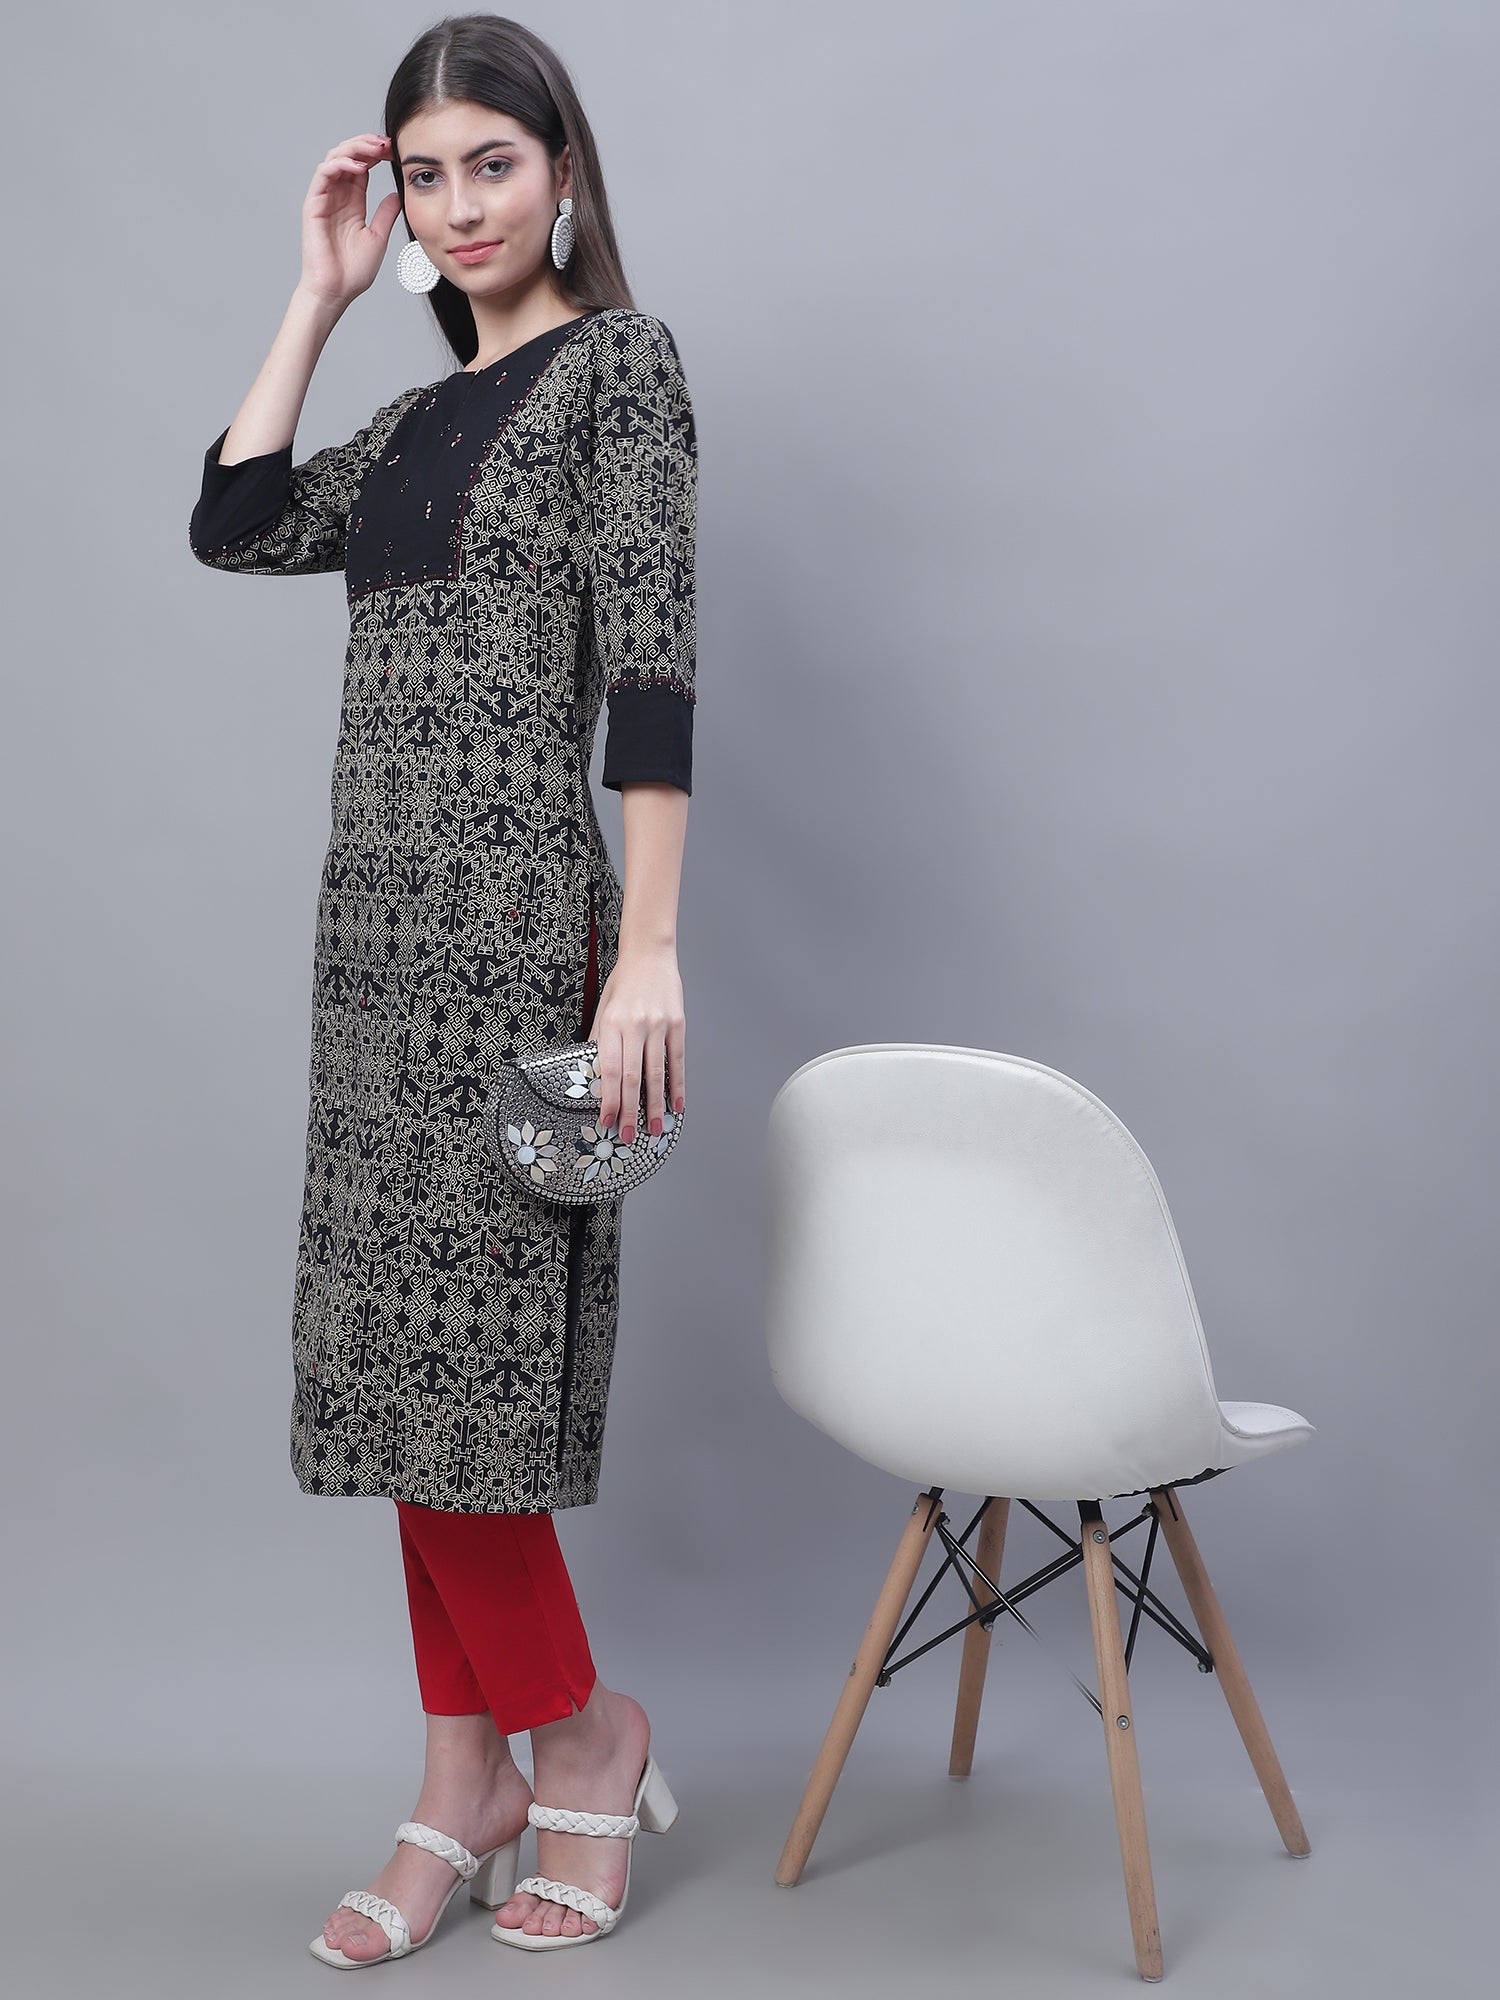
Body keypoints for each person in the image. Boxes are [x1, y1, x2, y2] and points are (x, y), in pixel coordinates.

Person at [187, 12, 695, 1962]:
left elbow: (653, 675)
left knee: (474, 1387)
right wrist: (319, 296)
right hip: (372, 954)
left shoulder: (622, 370)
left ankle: (581, 1736)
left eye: (495, 162)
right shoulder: (407, 428)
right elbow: (236, 521)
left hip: (515, 938)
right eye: (427, 175)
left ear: (564, 173)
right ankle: (460, 1774)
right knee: (401, 1385)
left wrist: (647, 950)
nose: (461, 204)